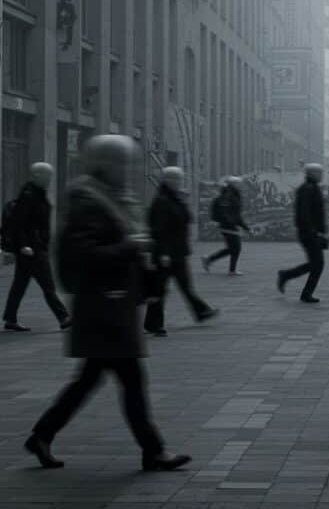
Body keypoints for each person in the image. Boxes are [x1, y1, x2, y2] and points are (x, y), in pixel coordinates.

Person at [24, 135, 190, 472]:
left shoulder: (109, 198)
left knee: (91, 378)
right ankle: (153, 451)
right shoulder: (88, 201)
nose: (129, 171)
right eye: (123, 164)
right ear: (106, 164)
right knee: (127, 379)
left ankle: (42, 435)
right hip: (102, 306)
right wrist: (133, 246)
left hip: (112, 305)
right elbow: (85, 255)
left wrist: (148, 277)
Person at [144, 167, 219, 337]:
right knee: (160, 289)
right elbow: (158, 230)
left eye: (180, 179)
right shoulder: (161, 201)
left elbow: (187, 219)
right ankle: (154, 324)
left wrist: (183, 201)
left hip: (178, 252)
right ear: (167, 180)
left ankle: (202, 312)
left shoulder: (175, 199)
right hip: (166, 254)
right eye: (176, 180)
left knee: (185, 286)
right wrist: (163, 253)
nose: (179, 183)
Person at [3, 163, 71, 332]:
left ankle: (10, 319)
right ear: (37, 175)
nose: (50, 179)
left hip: (35, 246)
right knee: (47, 285)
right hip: (32, 248)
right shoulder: (29, 195)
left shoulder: (38, 193)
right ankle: (64, 317)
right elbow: (19, 223)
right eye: (47, 176)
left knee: (19, 285)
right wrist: (24, 245)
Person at [277, 164, 328, 303]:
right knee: (318, 264)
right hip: (308, 233)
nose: (322, 175)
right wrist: (312, 231)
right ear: (312, 173)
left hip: (312, 233)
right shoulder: (307, 189)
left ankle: (287, 276)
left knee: (315, 264)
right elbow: (303, 213)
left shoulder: (312, 187)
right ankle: (302, 290)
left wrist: (321, 232)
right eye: (319, 172)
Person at [202, 176, 250, 276]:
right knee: (236, 248)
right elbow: (225, 213)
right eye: (239, 184)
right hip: (227, 226)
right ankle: (231, 270)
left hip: (229, 226)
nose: (241, 185)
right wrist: (231, 223)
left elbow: (236, 214)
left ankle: (209, 259)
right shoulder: (228, 196)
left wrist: (245, 227)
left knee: (232, 248)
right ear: (234, 185)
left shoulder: (235, 195)